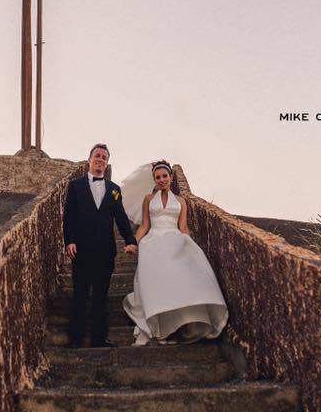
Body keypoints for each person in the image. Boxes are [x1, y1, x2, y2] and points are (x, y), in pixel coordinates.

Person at [122, 160, 228, 345]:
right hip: (153, 241)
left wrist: (190, 246)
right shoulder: (148, 199)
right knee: (157, 280)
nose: (161, 180)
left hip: (173, 238)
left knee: (179, 279)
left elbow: (183, 226)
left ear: (171, 177)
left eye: (164, 176)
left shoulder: (181, 201)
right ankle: (160, 326)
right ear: (154, 180)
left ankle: (179, 324)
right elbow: (145, 225)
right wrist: (133, 243)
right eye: (158, 177)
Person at [62, 143, 138, 348]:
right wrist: (69, 240)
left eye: (104, 157)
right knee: (80, 293)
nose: (100, 160)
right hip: (82, 249)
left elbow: (121, 218)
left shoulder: (114, 190)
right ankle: (75, 339)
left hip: (105, 251)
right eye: (97, 156)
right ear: (89, 159)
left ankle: (98, 338)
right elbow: (69, 216)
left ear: (107, 163)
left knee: (101, 296)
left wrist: (130, 240)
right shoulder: (75, 186)